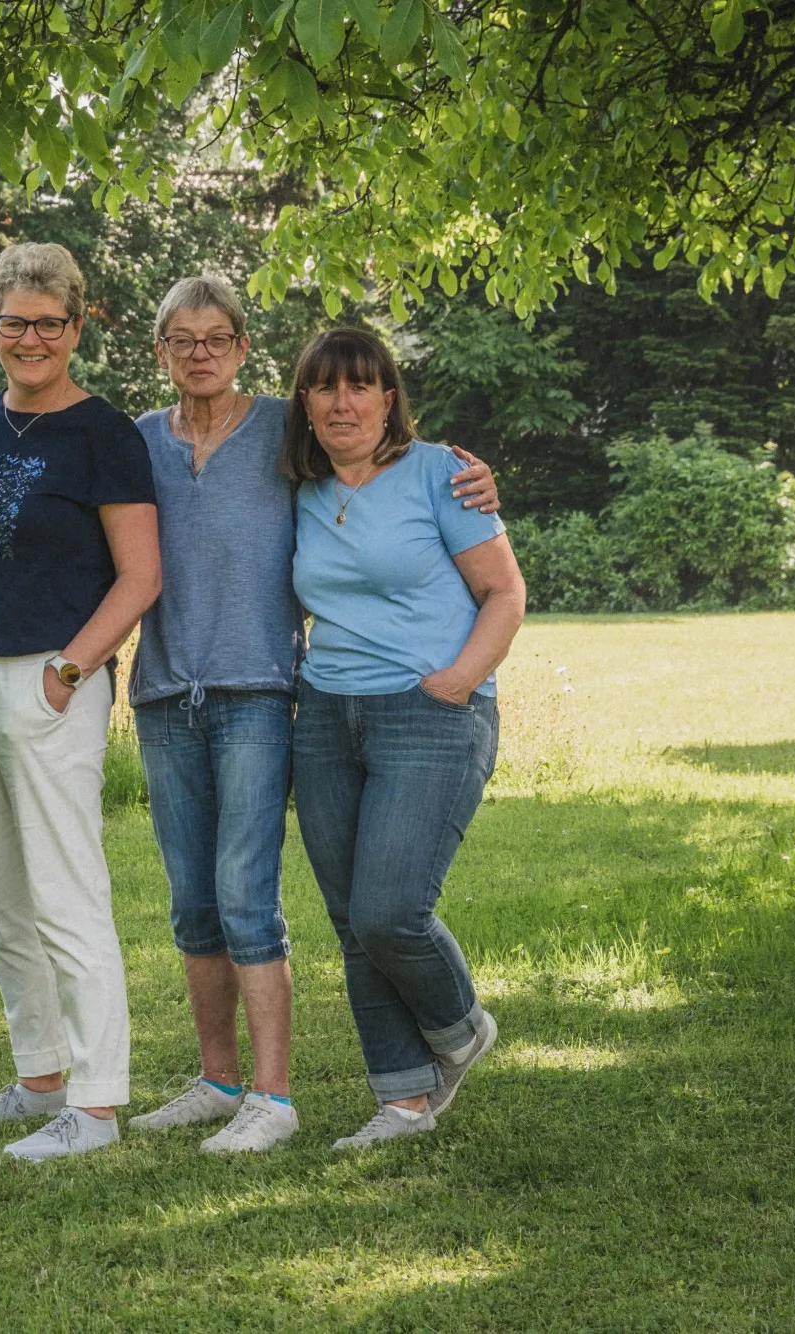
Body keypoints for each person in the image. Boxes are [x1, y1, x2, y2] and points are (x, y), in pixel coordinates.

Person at [0, 278, 501, 1156]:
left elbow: (374, 461)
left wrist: (465, 475)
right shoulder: (137, 442)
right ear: (160, 350)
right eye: (181, 339)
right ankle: (216, 1080)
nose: (200, 353)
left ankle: (273, 1097)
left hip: (259, 695)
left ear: (244, 347)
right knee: (192, 905)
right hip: (165, 694)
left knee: (247, 901)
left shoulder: (285, 432)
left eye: (217, 337)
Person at [0, 242, 162, 1162]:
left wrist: (70, 671)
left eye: (48, 322)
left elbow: (141, 575)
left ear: (77, 325)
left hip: (49, 680)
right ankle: (39, 1079)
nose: (31, 338)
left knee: (66, 891)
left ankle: (97, 1108)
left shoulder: (105, 435)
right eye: (14, 321)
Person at [283, 326, 525, 1149]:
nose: (343, 402)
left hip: (429, 716)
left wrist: (457, 682)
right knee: (352, 918)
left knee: (391, 910)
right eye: (325, 388)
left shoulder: (443, 476)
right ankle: (403, 1100)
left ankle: (458, 1029)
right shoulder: (299, 488)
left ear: (389, 399)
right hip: (324, 717)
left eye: (361, 386)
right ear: (306, 404)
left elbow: (504, 593)